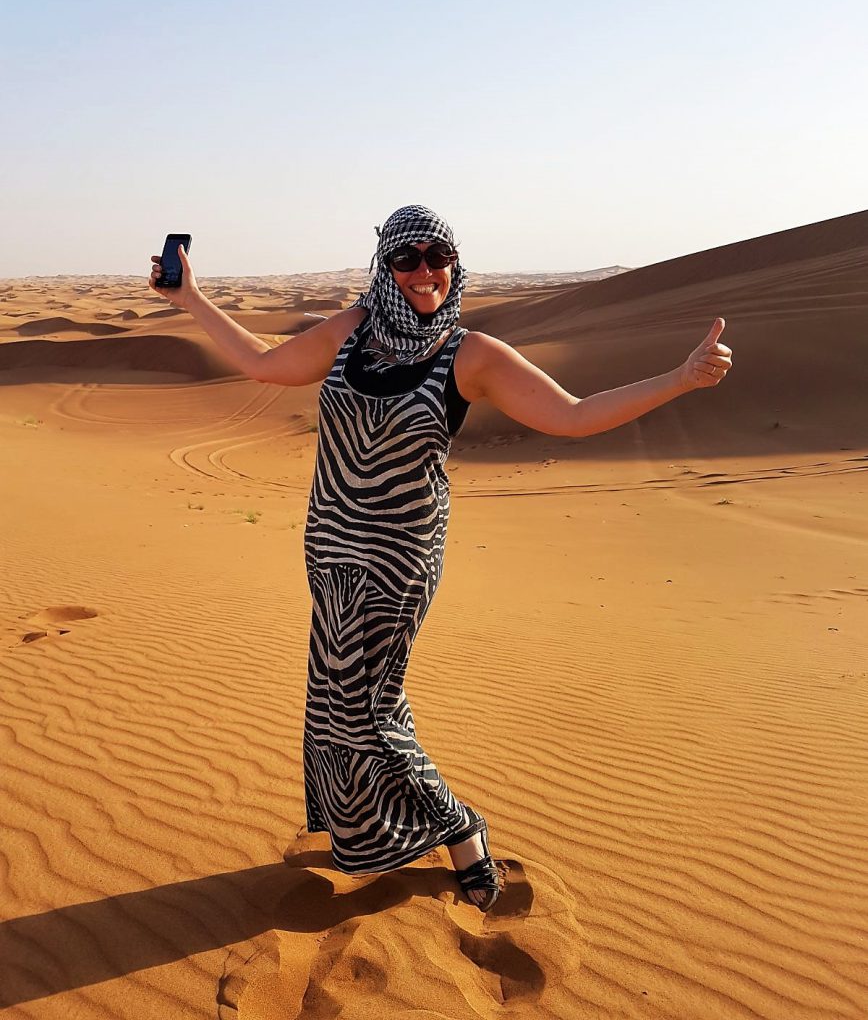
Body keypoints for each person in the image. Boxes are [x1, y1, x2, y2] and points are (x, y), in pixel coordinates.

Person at [149, 205, 733, 912]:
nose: (425, 271)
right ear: (385, 266)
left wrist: (680, 379)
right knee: (336, 701)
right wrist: (190, 298)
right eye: (408, 258)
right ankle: (366, 834)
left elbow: (573, 415)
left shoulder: (469, 353)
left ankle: (461, 832)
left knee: (368, 705)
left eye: (438, 256)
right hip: (332, 546)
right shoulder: (354, 330)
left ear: (455, 263)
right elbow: (263, 365)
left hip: (400, 557)